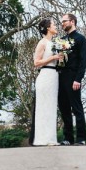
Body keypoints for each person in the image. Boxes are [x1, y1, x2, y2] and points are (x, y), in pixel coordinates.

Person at [32, 18, 64, 146]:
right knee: (43, 107)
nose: (56, 26)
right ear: (48, 28)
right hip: (45, 75)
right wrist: (53, 57)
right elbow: (36, 62)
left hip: (54, 76)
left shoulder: (56, 43)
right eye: (54, 25)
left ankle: (51, 138)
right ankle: (41, 138)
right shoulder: (42, 43)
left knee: (51, 107)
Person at [58, 13, 86, 146]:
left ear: (72, 21)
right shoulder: (61, 40)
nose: (62, 24)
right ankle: (68, 138)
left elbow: (84, 61)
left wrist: (78, 79)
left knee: (76, 108)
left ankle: (81, 138)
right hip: (61, 76)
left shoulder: (81, 39)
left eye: (64, 21)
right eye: (61, 22)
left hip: (73, 77)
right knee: (64, 108)